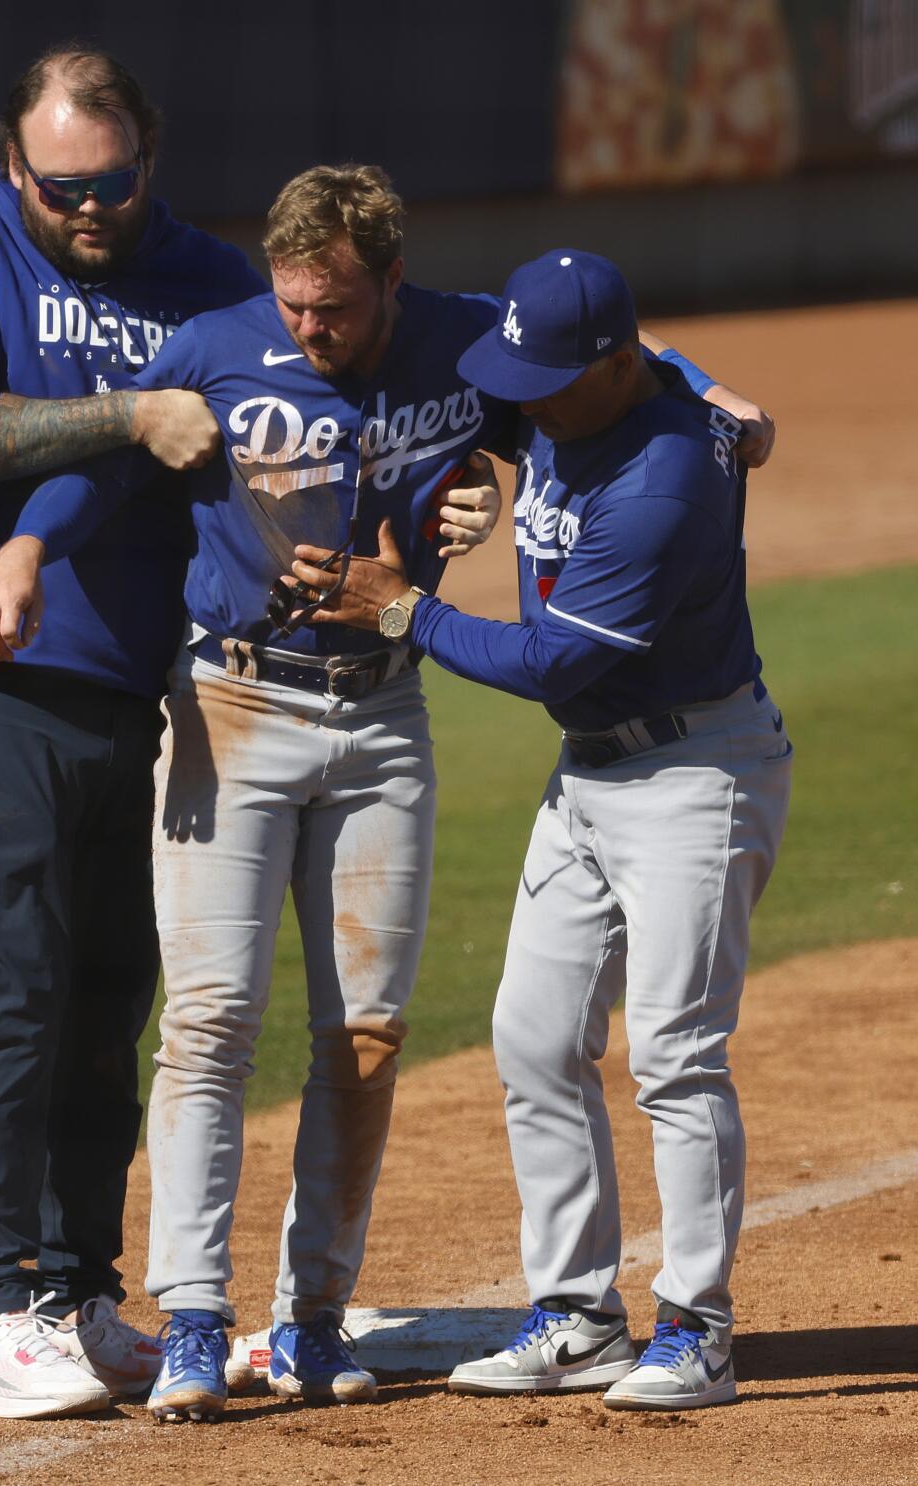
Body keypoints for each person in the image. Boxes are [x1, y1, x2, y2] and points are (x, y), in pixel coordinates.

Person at [0, 174, 767, 1423]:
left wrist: (708, 394)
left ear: (392, 282)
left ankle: (313, 1319)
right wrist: (24, 548)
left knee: (366, 1038)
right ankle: (191, 1318)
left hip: (385, 714)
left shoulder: (467, 338)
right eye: (292, 301)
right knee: (211, 1020)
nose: (308, 327)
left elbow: (608, 353)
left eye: (334, 305)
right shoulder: (219, 346)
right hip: (232, 705)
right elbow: (118, 464)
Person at [288, 248, 792, 1413]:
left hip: (695, 769)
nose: (524, 395)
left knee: (674, 1053)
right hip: (595, 774)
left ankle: (698, 1328)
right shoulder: (590, 375)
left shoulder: (664, 482)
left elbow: (550, 661)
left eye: (549, 377)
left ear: (613, 365)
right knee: (533, 1036)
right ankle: (576, 1315)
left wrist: (402, 606)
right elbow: (669, 369)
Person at [0, 44, 265, 1420]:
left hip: (144, 689)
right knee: (13, 980)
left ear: (147, 161)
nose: (90, 212)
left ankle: (75, 1293)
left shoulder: (211, 278)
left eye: (112, 185)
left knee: (112, 997)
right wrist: (127, 409)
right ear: (13, 166)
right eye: (62, 188)